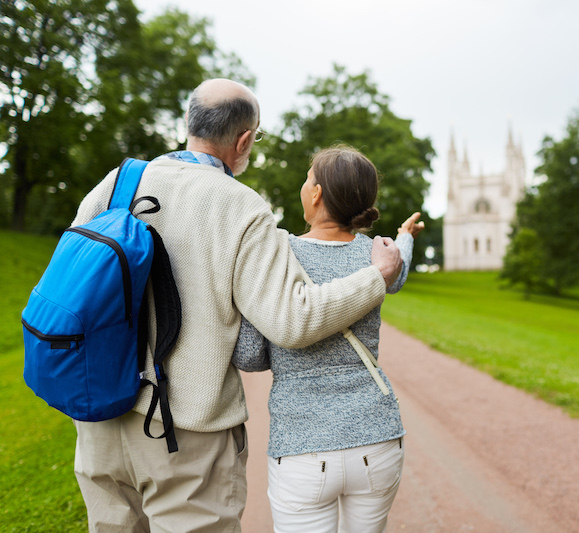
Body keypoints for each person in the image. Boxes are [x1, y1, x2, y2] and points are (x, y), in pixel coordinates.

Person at [70, 79, 402, 532]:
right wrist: (374, 278)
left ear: (189, 123)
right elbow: (292, 321)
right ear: (244, 140)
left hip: (100, 415)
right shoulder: (239, 205)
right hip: (183, 429)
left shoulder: (116, 182)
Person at [233, 144, 425, 532]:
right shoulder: (378, 256)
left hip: (303, 447)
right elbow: (397, 273)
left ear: (317, 193)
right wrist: (404, 236)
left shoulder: (280, 255)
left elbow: (250, 355)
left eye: (308, 179)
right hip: (378, 438)